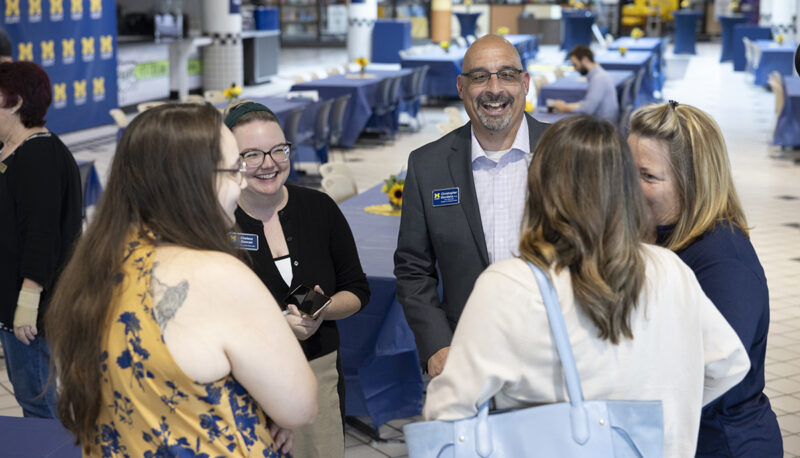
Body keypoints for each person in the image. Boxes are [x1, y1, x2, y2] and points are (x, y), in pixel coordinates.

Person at [423, 115, 750, 458]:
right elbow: (728, 364)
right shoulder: (670, 268)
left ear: (539, 185)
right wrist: (667, 412)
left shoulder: (511, 285)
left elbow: (447, 412)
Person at [45, 103, 317, 456]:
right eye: (234, 169)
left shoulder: (93, 266)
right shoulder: (217, 275)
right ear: (194, 182)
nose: (241, 183)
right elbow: (300, 405)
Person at [628, 101, 783, 457]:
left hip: (722, 443)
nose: (630, 187)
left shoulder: (724, 262)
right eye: (627, 170)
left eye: (648, 176)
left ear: (693, 181)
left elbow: (711, 376)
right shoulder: (657, 232)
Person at [394, 34, 549, 377]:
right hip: (465, 358)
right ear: (461, 87)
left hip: (554, 352)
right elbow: (412, 267)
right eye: (480, 77)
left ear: (525, 83)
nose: (494, 88)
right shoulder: (427, 165)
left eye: (506, 75)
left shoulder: (566, 153)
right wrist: (437, 345)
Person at [223, 100, 370, 458]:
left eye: (278, 149)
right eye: (252, 154)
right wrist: (278, 327)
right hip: (244, 381)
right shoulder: (217, 225)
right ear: (231, 161)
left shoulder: (320, 209)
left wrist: (322, 311)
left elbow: (357, 289)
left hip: (316, 373)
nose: (269, 163)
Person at [0, 61, 81, 418]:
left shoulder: (40, 156)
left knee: (37, 401)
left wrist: (28, 303)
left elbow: (42, 236)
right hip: (11, 297)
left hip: (31, 307)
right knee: (28, 394)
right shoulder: (11, 150)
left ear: (15, 101)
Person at [551, 45, 619, 123]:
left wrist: (565, 107)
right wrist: (566, 105)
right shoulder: (598, 74)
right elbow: (587, 103)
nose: (575, 69)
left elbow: (587, 109)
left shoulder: (598, 79)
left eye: (575, 65)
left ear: (585, 60)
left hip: (602, 127)